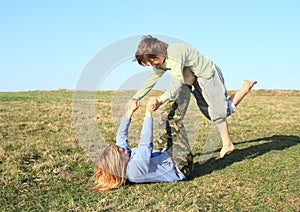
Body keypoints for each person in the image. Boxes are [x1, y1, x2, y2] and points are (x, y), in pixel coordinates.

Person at [132, 35, 257, 160]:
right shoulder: (161, 63)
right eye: (149, 62)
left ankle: (227, 144)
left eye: (152, 59)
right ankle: (245, 88)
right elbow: (151, 80)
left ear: (159, 51)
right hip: (196, 79)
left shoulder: (174, 54)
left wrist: (160, 99)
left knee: (219, 113)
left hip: (208, 75)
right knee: (210, 113)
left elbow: (176, 84)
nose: (152, 63)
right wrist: (136, 98)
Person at [90, 98, 193, 192]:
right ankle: (186, 85)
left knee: (164, 118)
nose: (122, 148)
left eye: (119, 148)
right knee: (173, 118)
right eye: (120, 151)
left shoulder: (124, 157)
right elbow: (145, 144)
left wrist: (130, 111)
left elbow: (121, 136)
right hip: (179, 166)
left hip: (166, 156)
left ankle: (181, 89)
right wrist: (148, 113)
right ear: (119, 164)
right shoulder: (134, 171)